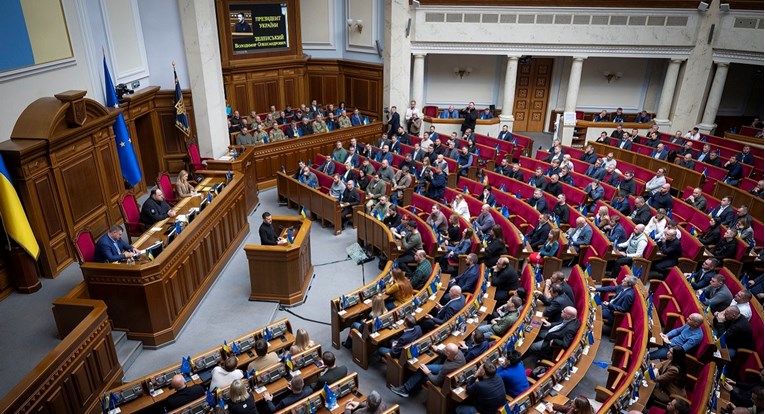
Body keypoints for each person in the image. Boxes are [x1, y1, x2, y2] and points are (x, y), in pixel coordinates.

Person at [389, 343, 466, 398]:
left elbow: (436, 381)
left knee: (422, 370)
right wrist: (438, 350)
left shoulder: (447, 367)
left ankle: (405, 389)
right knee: (424, 369)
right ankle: (411, 388)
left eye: (445, 349)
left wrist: (428, 372)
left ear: (448, 353)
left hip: (446, 380)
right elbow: (447, 353)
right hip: (448, 370)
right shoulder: (458, 352)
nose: (444, 349)